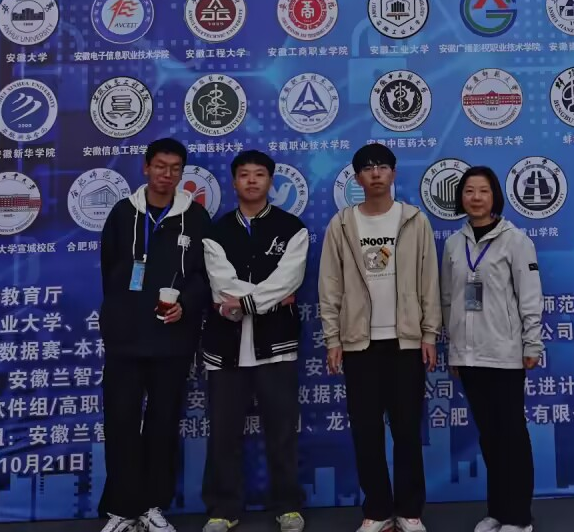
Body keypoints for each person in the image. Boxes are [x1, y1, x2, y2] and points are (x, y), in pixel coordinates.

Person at [318, 143, 442, 532]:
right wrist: (333, 339)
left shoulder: (414, 220)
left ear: (393, 173)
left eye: (383, 166)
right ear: (357, 178)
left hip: (406, 342)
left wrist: (429, 334)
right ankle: (377, 510)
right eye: (368, 168)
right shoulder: (342, 224)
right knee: (366, 431)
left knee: (407, 430)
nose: (376, 173)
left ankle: (409, 510)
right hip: (360, 344)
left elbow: (429, 281)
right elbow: (330, 286)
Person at [99, 138, 212, 532]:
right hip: (125, 341)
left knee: (163, 424)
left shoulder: (195, 218)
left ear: (182, 172)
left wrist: (187, 305)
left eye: (175, 168)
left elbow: (204, 276)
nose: (167, 175)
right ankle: (122, 508)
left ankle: (152, 506)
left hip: (171, 340)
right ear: (146, 167)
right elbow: (110, 271)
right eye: (160, 166)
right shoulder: (122, 213)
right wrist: (120, 316)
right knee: (121, 423)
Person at [200, 149, 310, 532]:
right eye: (244, 174)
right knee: (223, 434)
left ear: (270, 181)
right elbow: (221, 284)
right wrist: (267, 300)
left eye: (259, 174)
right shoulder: (215, 232)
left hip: (276, 346)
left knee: (281, 432)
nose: (251, 180)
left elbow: (289, 279)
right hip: (225, 347)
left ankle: (288, 505)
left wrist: (243, 302)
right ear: (234, 181)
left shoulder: (292, 228)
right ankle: (223, 508)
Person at [441, 166, 543, 532]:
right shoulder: (454, 244)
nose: (476, 198)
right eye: (469, 191)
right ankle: (498, 511)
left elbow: (530, 296)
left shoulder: (515, 240)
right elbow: (448, 300)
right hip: (469, 356)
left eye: (483, 191)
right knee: (489, 438)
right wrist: (454, 349)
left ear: (494, 196)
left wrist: (532, 342)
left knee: (512, 435)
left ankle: (519, 517)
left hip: (505, 353)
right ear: (461, 197)